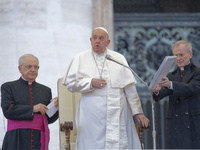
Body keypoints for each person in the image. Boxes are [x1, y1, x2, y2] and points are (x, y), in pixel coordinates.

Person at [63, 27, 149, 149]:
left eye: (101, 38)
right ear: (90, 40)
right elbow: (70, 84)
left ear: (108, 42)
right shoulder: (80, 58)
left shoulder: (118, 58)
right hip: (92, 114)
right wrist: (90, 83)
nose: (97, 41)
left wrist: (138, 112)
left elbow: (130, 88)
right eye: (94, 38)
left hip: (119, 111)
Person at [1, 54, 59, 150]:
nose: (33, 69)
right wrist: (33, 109)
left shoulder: (46, 90)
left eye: (36, 67)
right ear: (20, 68)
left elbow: (48, 119)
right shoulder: (8, 87)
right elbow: (8, 111)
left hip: (38, 140)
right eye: (29, 66)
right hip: (16, 139)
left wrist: (57, 107)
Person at [153, 40, 200, 149]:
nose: (178, 58)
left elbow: (193, 88)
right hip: (176, 123)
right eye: (175, 55)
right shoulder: (171, 75)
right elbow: (162, 93)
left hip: (192, 122)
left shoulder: (197, 72)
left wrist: (171, 85)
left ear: (190, 54)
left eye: (181, 55)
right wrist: (157, 90)